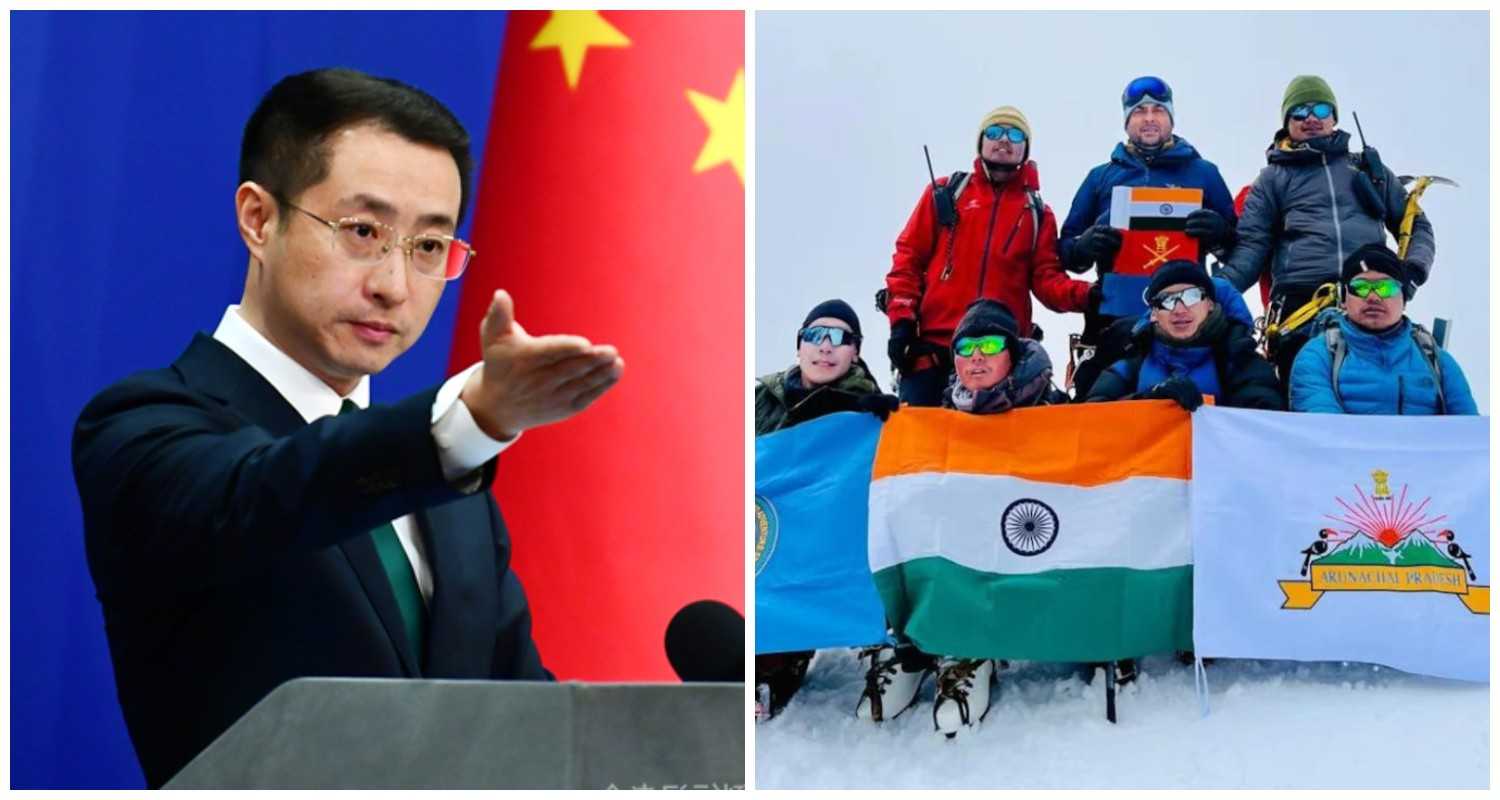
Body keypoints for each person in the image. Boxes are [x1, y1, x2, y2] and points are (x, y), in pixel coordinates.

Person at [71, 68, 625, 787]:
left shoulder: (456, 491)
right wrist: (466, 425)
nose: (394, 284)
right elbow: (261, 496)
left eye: (429, 247)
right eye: (363, 232)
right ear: (259, 220)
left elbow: (525, 724)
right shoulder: (142, 427)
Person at [1215, 75, 1436, 394]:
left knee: (1381, 397)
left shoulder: (1369, 172)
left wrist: (1411, 272)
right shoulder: (1272, 180)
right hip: (1302, 308)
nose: (1311, 119)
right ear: (1286, 122)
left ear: (1334, 116)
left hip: (1369, 293)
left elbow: (1416, 226)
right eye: (1299, 112)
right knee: (1311, 399)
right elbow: (1251, 249)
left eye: (1320, 109)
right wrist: (1207, 291)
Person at [885, 105, 1093, 407]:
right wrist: (901, 323)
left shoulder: (1037, 213)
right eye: (994, 132)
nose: (1004, 140)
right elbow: (907, 260)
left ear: (1026, 149)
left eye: (1015, 134)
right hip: (932, 352)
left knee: (1002, 451)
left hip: (1001, 355)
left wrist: (1091, 296)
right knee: (923, 448)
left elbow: (1047, 281)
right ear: (981, 142)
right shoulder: (946, 192)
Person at [754, 299, 892, 722]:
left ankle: (781, 665)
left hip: (822, 547)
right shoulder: (759, 397)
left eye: (840, 339)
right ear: (799, 346)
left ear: (856, 351)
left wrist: (884, 426)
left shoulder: (866, 409)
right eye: (815, 336)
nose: (825, 347)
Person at [1058, 76, 1243, 350]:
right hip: (1116, 316)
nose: (1149, 119)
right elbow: (1066, 252)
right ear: (1126, 121)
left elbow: (1237, 248)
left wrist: (1220, 234)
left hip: (1187, 315)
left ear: (1170, 118)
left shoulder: (1204, 173)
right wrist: (1085, 246)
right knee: (1111, 390)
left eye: (1158, 110)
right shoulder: (1100, 177)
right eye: (1139, 112)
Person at [1290, 245, 1476, 415]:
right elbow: (1322, 431)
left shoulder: (1436, 360)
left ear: (1403, 299)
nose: (1373, 297)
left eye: (1386, 287)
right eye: (1361, 287)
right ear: (1344, 299)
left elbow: (1468, 433)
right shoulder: (1318, 355)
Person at [1085, 260, 1282, 411]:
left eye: (1192, 296)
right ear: (1154, 313)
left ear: (1210, 304)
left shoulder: (1239, 359)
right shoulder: (1133, 361)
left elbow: (1264, 422)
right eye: (1167, 300)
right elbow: (1093, 416)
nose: (1179, 309)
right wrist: (1146, 401)